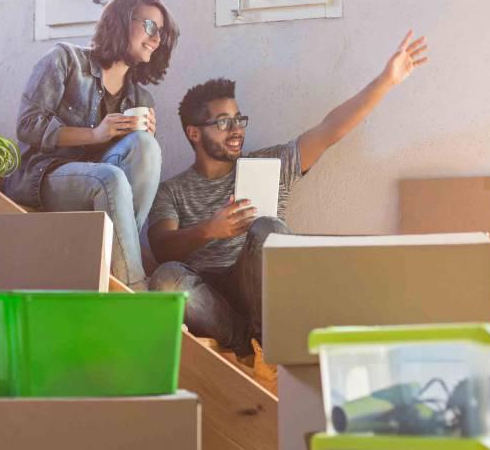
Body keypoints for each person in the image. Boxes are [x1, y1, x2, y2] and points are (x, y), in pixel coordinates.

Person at [147, 31, 428, 357]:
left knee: (269, 228)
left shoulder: (270, 163)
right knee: (165, 278)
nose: (237, 129)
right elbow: (161, 246)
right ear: (194, 133)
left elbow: (329, 130)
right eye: (224, 123)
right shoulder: (172, 190)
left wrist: (387, 80)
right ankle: (242, 343)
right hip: (209, 298)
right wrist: (210, 230)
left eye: (239, 119)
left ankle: (269, 342)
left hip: (259, 289)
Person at [4, 0, 179, 290]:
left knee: (146, 147)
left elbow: (132, 174)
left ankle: (120, 266)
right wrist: (95, 134)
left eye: (161, 33)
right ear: (122, 20)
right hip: (44, 176)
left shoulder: (140, 97)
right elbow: (28, 124)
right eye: (149, 26)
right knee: (108, 178)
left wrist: (143, 140)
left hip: (102, 190)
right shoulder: (65, 60)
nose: (155, 38)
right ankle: (135, 288)